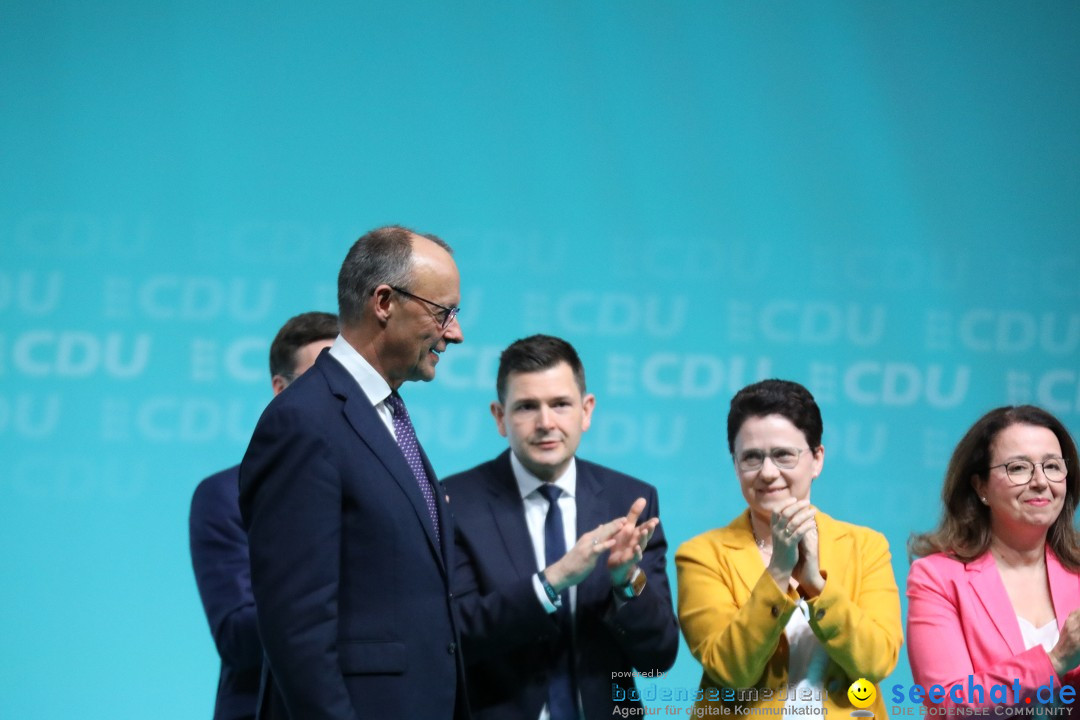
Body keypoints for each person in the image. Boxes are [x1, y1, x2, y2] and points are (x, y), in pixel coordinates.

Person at [239, 225, 467, 720]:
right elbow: (296, 627)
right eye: (442, 311)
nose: (455, 332)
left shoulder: (386, 413)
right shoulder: (303, 421)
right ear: (384, 301)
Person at [444, 334, 679, 720]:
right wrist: (551, 582)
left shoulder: (630, 500)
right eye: (526, 407)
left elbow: (659, 657)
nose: (545, 422)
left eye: (560, 404)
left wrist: (626, 581)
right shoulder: (454, 502)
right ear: (500, 417)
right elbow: (457, 639)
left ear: (586, 411)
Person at [676, 379, 902, 716]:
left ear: (816, 459)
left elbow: (876, 661)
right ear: (735, 465)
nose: (767, 473)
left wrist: (815, 585)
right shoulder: (702, 555)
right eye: (751, 458)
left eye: (783, 455)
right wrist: (779, 570)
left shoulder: (866, 547)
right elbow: (730, 670)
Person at [189, 310, 338, 720]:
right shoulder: (226, 495)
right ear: (281, 389)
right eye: (322, 379)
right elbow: (238, 637)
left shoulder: (393, 486)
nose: (340, 395)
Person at [907, 405, 1080, 709]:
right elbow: (948, 703)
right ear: (980, 486)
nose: (1040, 481)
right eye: (1018, 468)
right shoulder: (937, 578)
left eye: (1052, 466)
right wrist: (1056, 660)